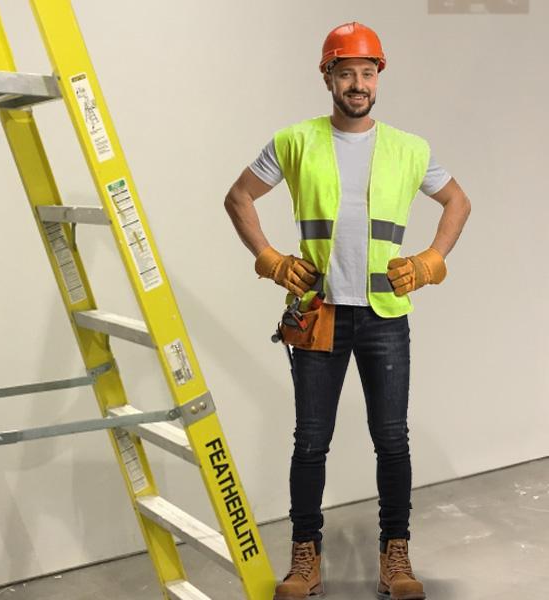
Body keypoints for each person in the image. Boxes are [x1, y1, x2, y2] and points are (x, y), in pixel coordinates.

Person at [224, 21, 471, 600]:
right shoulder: (294, 141)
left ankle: (396, 557)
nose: (357, 83)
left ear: (377, 76)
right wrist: (270, 260)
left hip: (384, 316)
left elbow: (458, 201)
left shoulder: (411, 148)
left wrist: (433, 260)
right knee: (310, 441)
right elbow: (237, 198)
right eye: (346, 72)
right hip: (320, 314)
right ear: (327, 76)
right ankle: (305, 558)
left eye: (366, 72)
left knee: (392, 440)